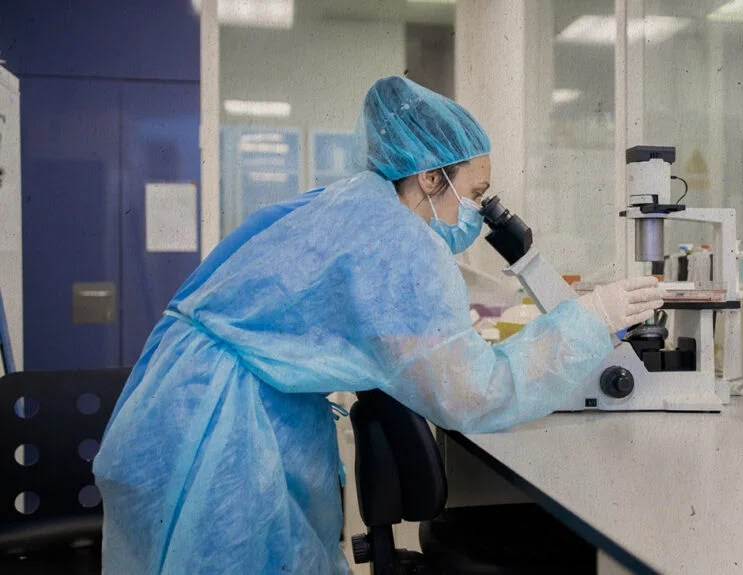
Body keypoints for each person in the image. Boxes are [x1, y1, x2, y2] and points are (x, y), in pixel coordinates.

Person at [93, 76, 664, 574]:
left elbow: (393, 298)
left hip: (180, 407)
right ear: (431, 178)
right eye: (476, 193)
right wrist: (592, 321)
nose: (479, 210)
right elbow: (475, 395)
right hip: (218, 435)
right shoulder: (397, 242)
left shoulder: (357, 206)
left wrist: (539, 299)